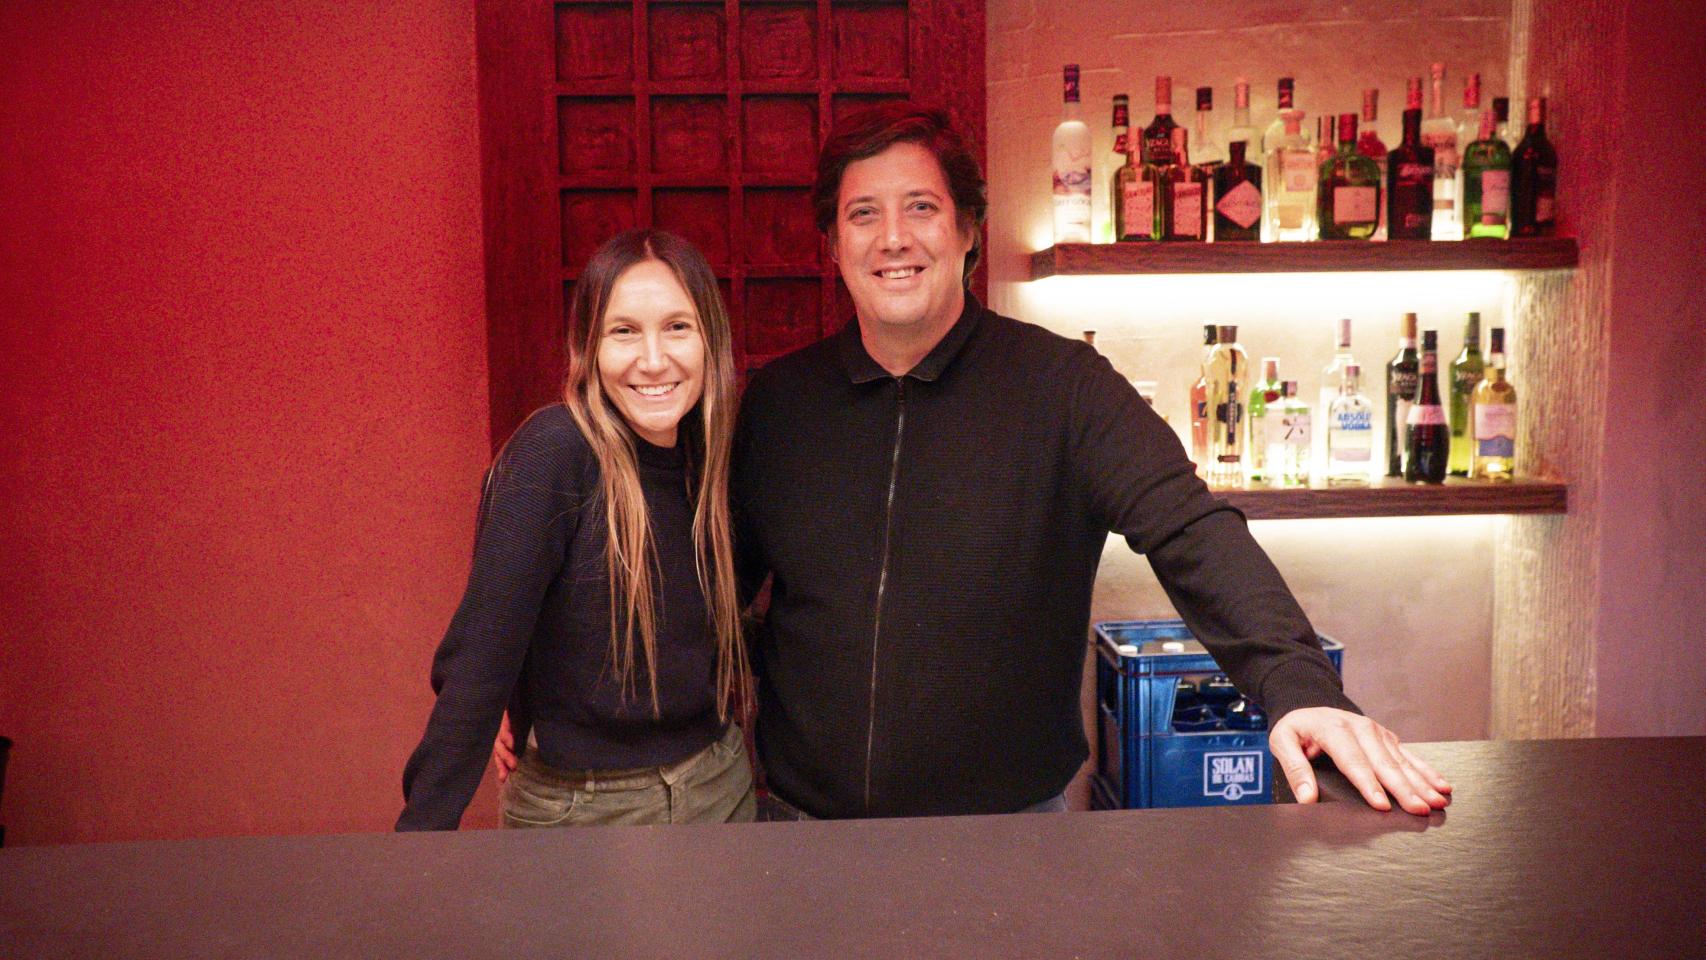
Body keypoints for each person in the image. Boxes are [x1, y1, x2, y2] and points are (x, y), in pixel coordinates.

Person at [729, 102, 1450, 820]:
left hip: (1011, 838)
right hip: (802, 831)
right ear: (831, 242)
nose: (892, 238)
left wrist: (1300, 685)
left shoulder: (1063, 386)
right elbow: (713, 587)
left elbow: (1190, 528)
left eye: (920, 207)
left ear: (968, 230)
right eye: (862, 214)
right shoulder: (781, 404)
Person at [396, 229, 755, 830]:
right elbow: (479, 660)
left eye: (677, 327)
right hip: (586, 810)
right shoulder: (555, 453)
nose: (653, 359)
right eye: (623, 331)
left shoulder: (713, 454)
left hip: (720, 785)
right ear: (586, 347)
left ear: (709, 338)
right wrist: (419, 848)